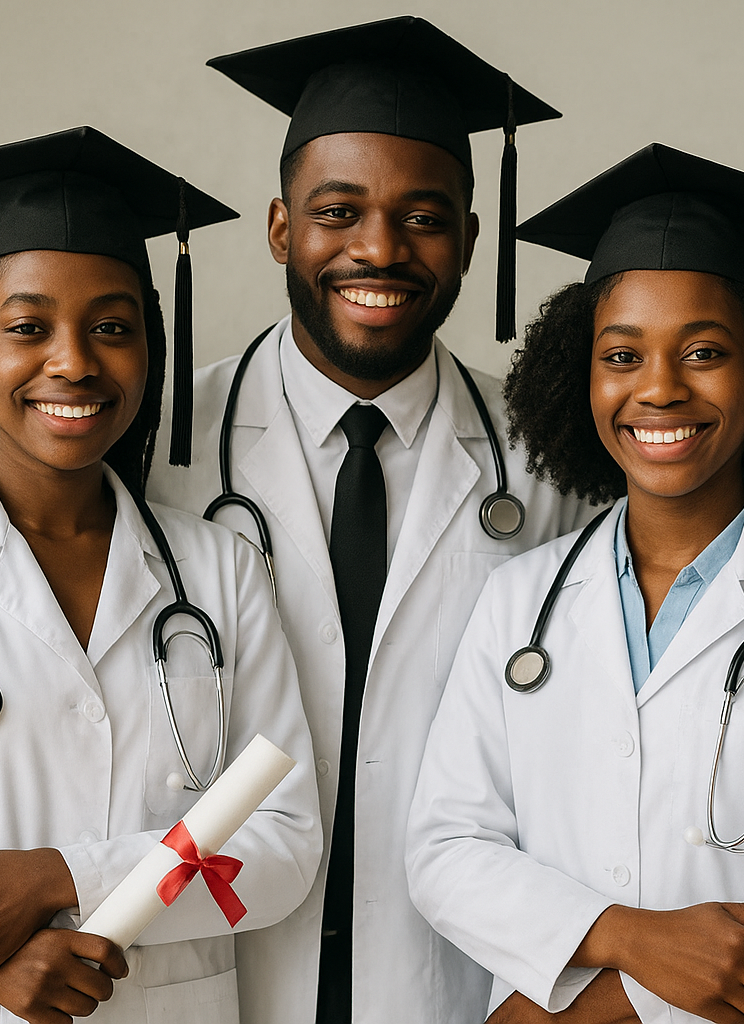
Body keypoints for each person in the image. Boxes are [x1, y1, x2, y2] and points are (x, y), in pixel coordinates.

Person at [0, 127, 323, 1024]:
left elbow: (279, 847)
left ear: (150, 349)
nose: (73, 361)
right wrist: (3, 955)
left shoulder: (218, 572)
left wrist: (56, 878)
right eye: (28, 328)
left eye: (111, 327)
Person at [406, 143, 744, 1024]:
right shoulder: (519, 599)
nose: (659, 390)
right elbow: (447, 847)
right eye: (622, 356)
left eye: (703, 352)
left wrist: (592, 1007)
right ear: (582, 376)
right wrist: (622, 935)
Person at [143, 17, 594, 1024]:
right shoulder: (164, 449)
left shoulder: (548, 461)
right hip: (214, 968)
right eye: (338, 211)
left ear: (475, 237)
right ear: (279, 228)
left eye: (425, 217)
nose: (380, 249)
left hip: (454, 974)